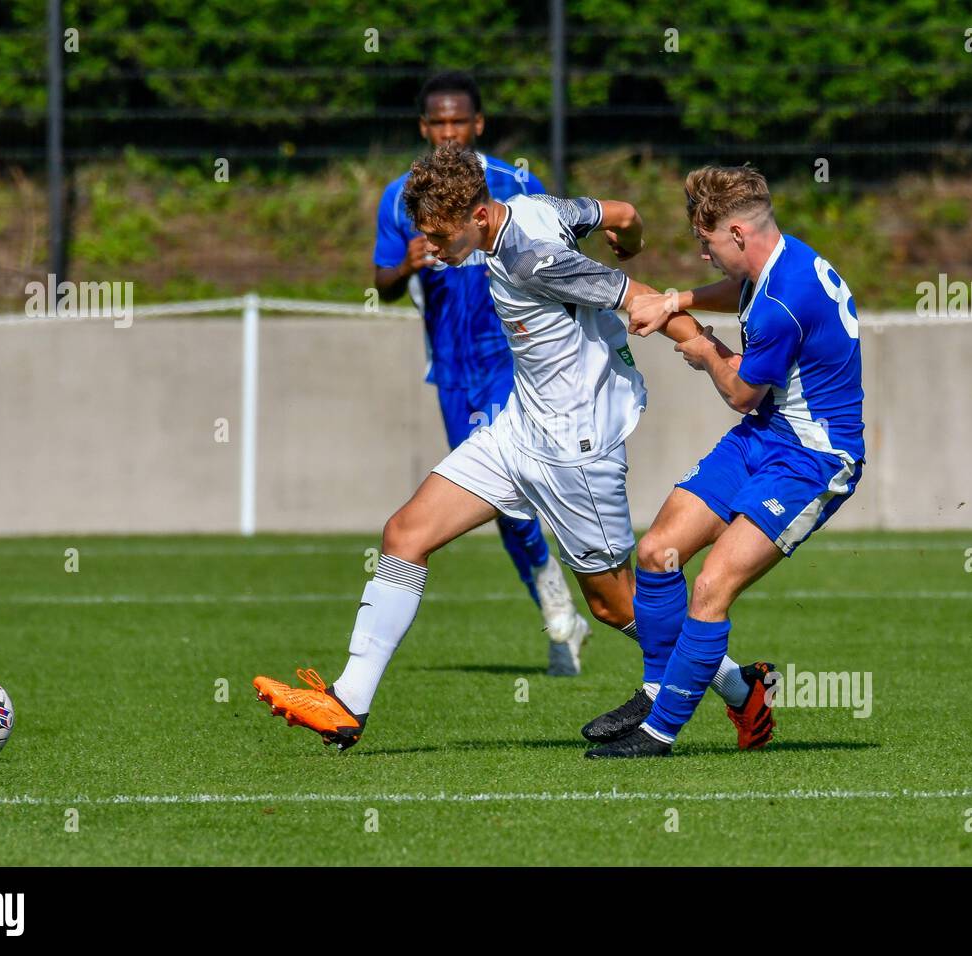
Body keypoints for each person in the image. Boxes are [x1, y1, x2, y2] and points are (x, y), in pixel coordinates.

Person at [252, 144, 721, 751]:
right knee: (405, 535)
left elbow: (640, 297)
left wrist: (712, 355)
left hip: (575, 448)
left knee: (613, 606)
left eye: (440, 237)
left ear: (476, 217)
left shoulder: (533, 258)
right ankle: (347, 702)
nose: (435, 250)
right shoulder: (531, 207)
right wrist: (627, 237)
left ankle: (737, 685)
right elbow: (622, 212)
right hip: (519, 427)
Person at [582, 163, 866, 758]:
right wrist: (676, 300)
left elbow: (740, 390)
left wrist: (705, 347)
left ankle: (658, 734)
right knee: (658, 552)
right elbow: (741, 292)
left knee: (711, 587)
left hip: (815, 459)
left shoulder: (783, 302)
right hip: (766, 435)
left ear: (736, 234)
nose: (704, 254)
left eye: (707, 243)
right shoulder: (781, 262)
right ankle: (684, 688)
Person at [374, 70, 587, 675]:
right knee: (496, 498)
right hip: (451, 368)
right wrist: (405, 267)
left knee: (518, 490)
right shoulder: (400, 197)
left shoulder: (517, 183)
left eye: (458, 122)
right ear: (423, 127)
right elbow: (382, 283)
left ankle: (576, 605)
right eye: (437, 123)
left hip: (513, 361)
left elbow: (560, 259)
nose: (448, 132)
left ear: (478, 124)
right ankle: (559, 610)